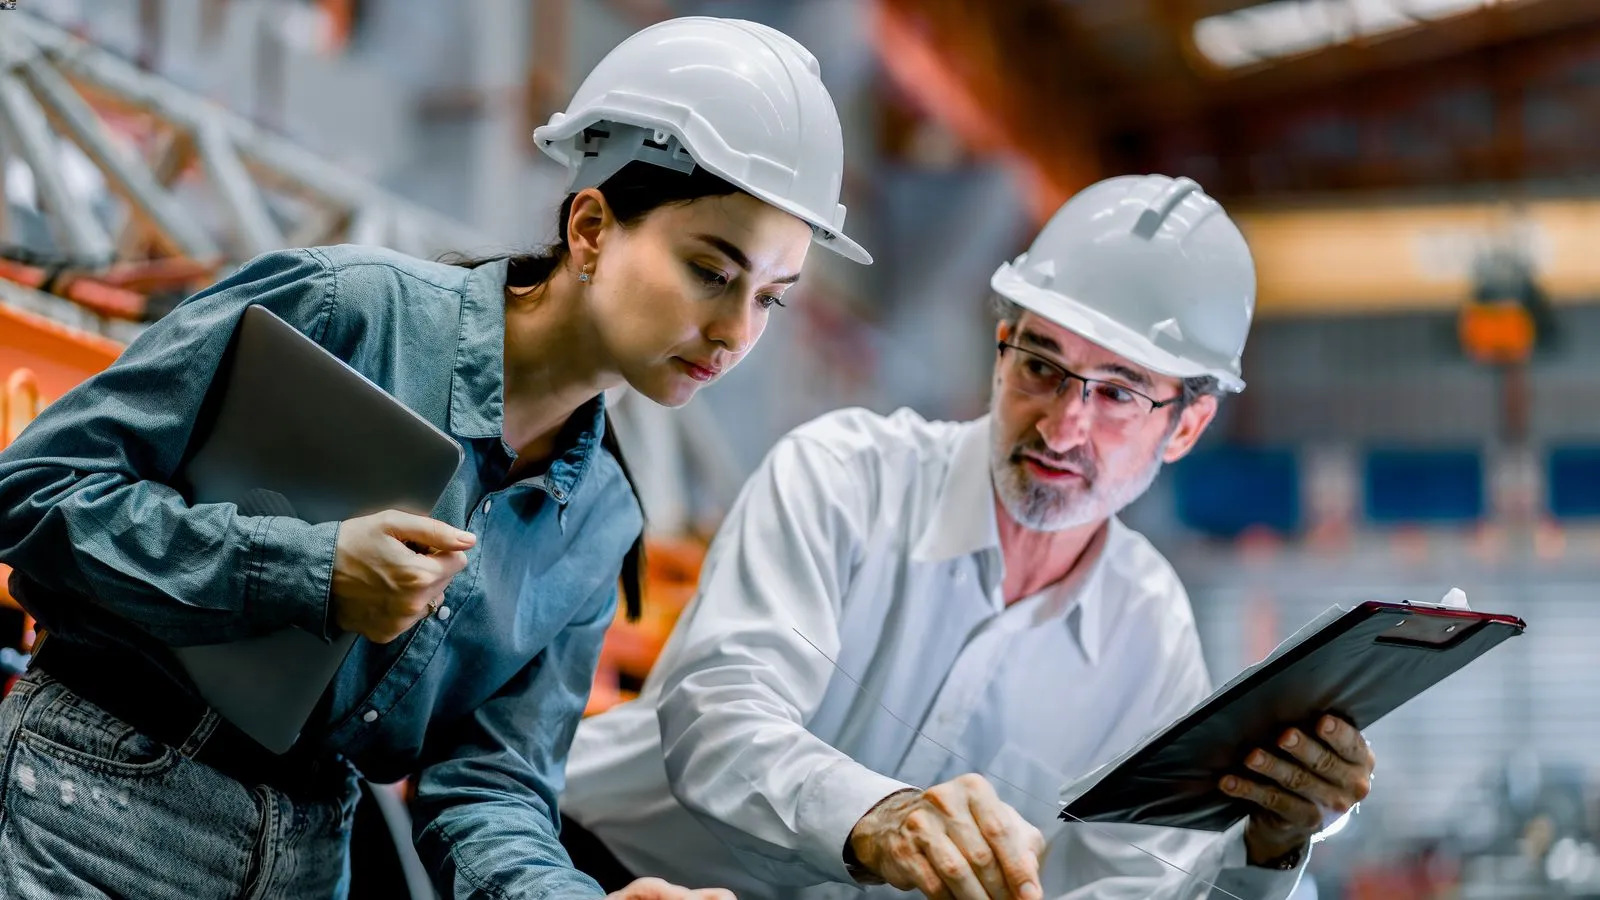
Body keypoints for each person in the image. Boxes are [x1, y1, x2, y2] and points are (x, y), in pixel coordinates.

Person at [0, 16, 868, 900]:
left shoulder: (600, 521)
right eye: (712, 272)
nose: (735, 333)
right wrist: (310, 571)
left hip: (306, 859)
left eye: (772, 300)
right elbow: (34, 489)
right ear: (594, 227)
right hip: (91, 809)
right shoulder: (349, 310)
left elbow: (488, 788)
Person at [559, 174, 1376, 900]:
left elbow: (1135, 881)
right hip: (590, 868)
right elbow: (719, 717)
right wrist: (880, 819)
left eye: (1119, 393)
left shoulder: (1148, 633)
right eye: (1042, 366)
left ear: (1188, 425)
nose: (1062, 426)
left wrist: (1269, 844)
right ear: (999, 349)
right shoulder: (844, 478)